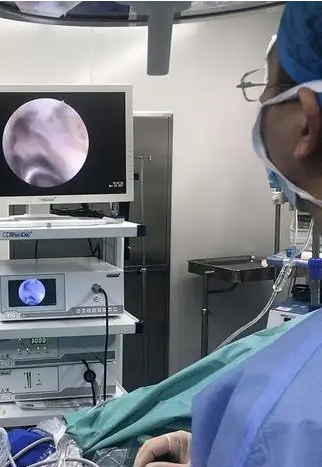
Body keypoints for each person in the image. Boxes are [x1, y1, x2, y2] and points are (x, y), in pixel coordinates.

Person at [133, 2, 322, 466]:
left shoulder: (289, 415)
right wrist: (207, 452)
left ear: (306, 121)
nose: (260, 107)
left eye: (268, 88)